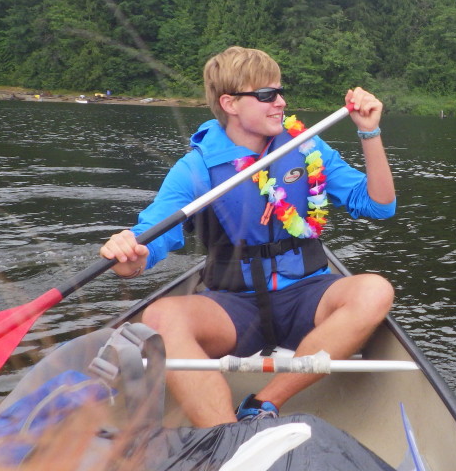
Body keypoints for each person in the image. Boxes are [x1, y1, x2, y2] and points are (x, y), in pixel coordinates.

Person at [99, 46, 396, 427]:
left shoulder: (305, 147)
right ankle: (226, 437)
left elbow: (380, 205)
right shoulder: (197, 168)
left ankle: (263, 402)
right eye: (267, 95)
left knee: (374, 291)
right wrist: (128, 251)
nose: (281, 103)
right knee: (159, 316)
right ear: (231, 103)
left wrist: (369, 132)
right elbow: (149, 244)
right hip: (232, 305)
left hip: (307, 294)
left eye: (280, 92)